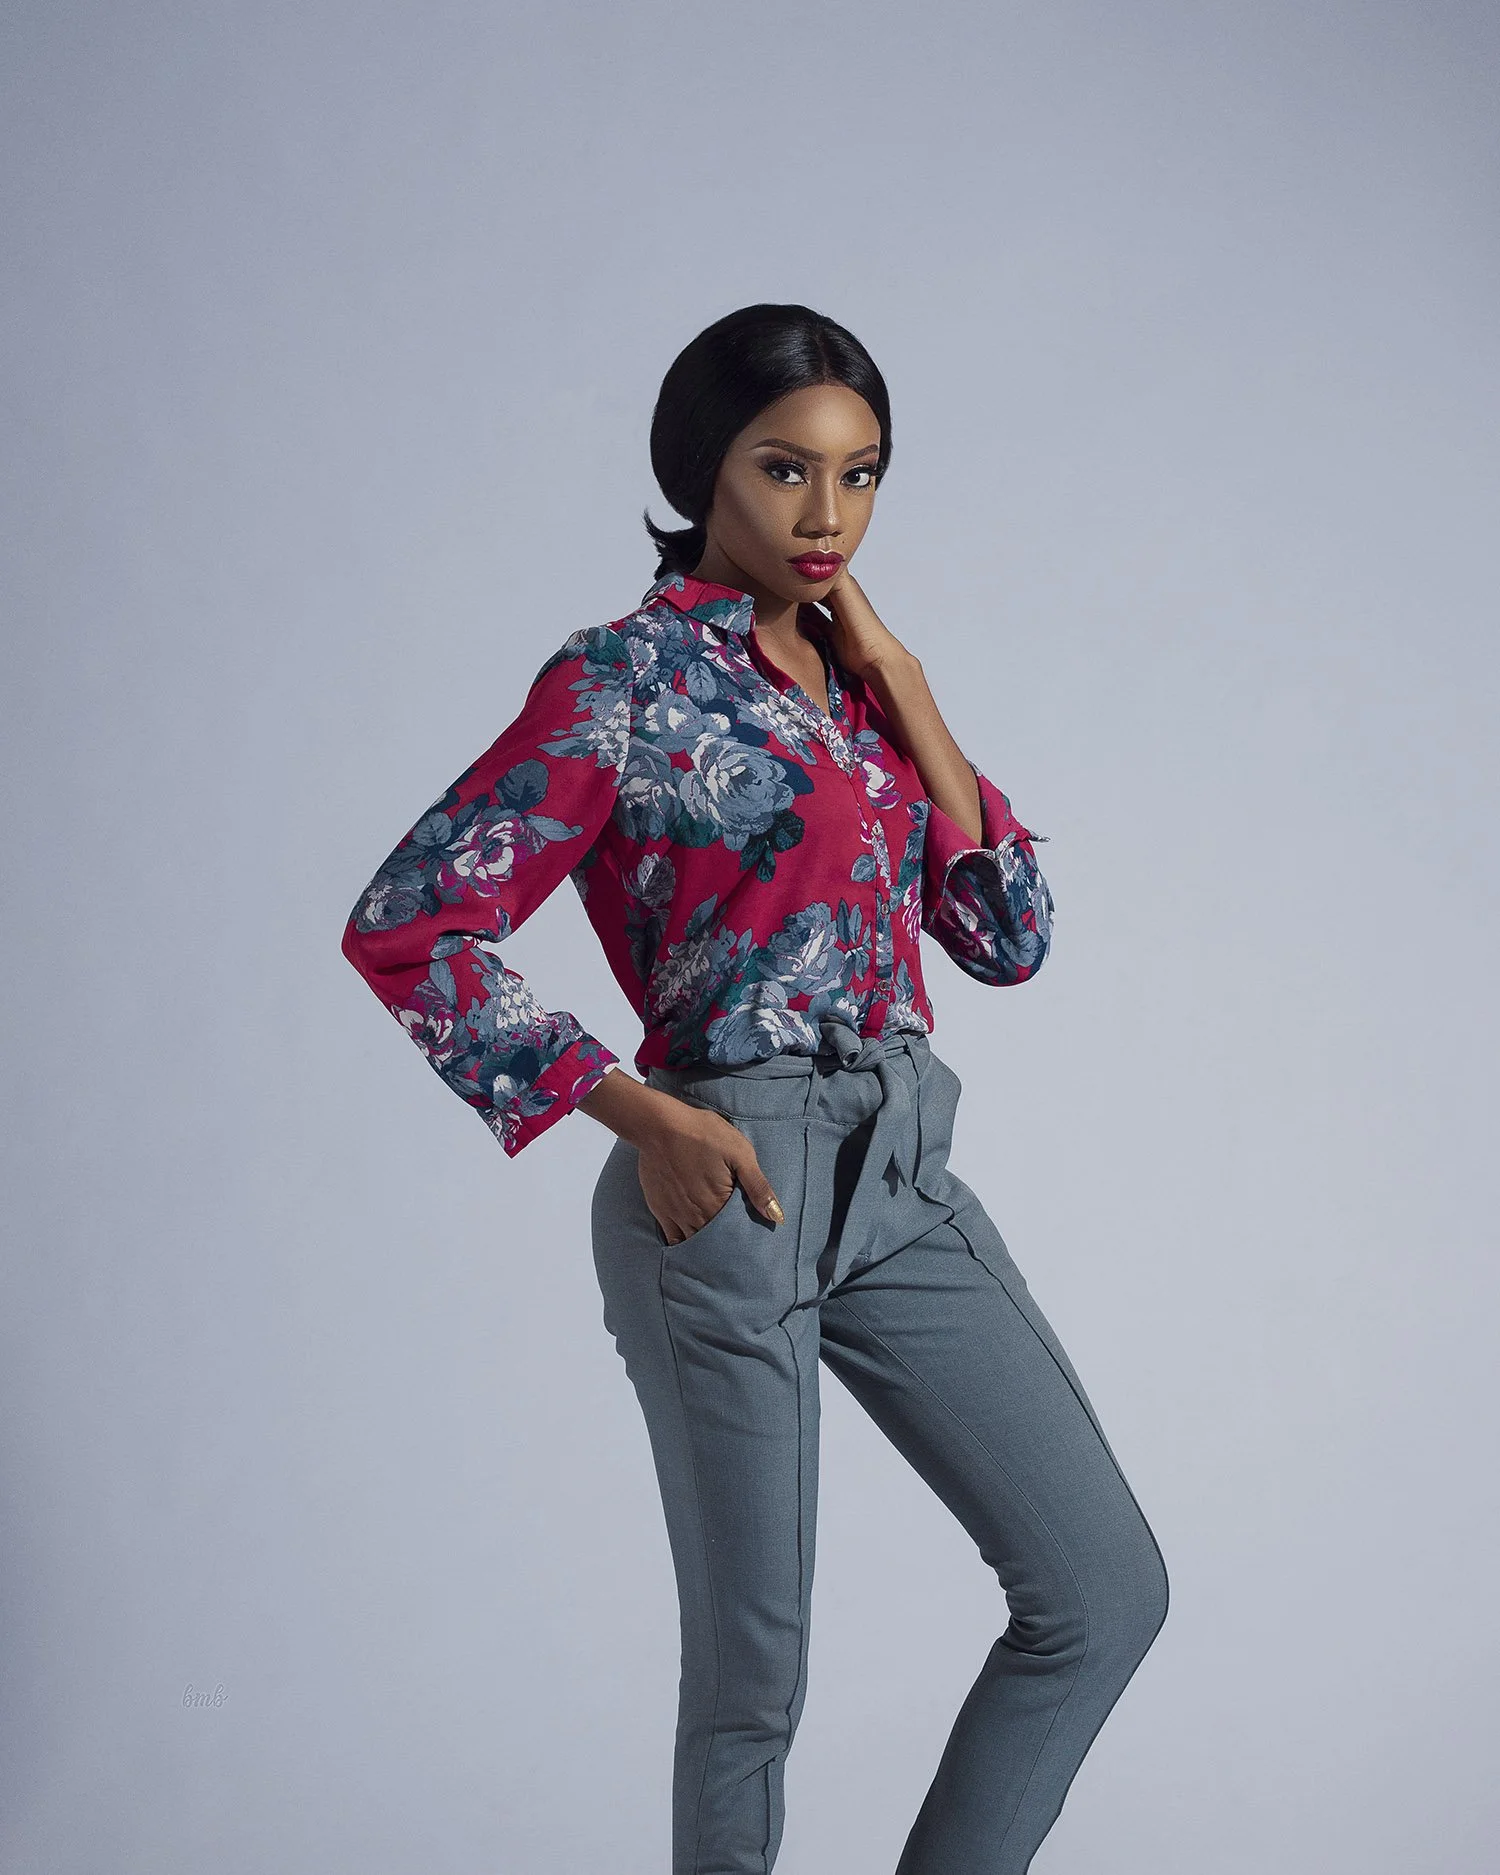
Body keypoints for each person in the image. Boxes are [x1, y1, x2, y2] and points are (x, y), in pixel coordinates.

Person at [340, 302, 1168, 1874]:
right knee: (754, 1686)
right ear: (702, 467)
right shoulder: (621, 679)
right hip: (725, 1177)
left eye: (861, 477)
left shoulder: (862, 687)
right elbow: (410, 919)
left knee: (1103, 1588)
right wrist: (635, 1112)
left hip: (902, 1167)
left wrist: (910, 682)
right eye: (786, 469)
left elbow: (1009, 936)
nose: (826, 515)